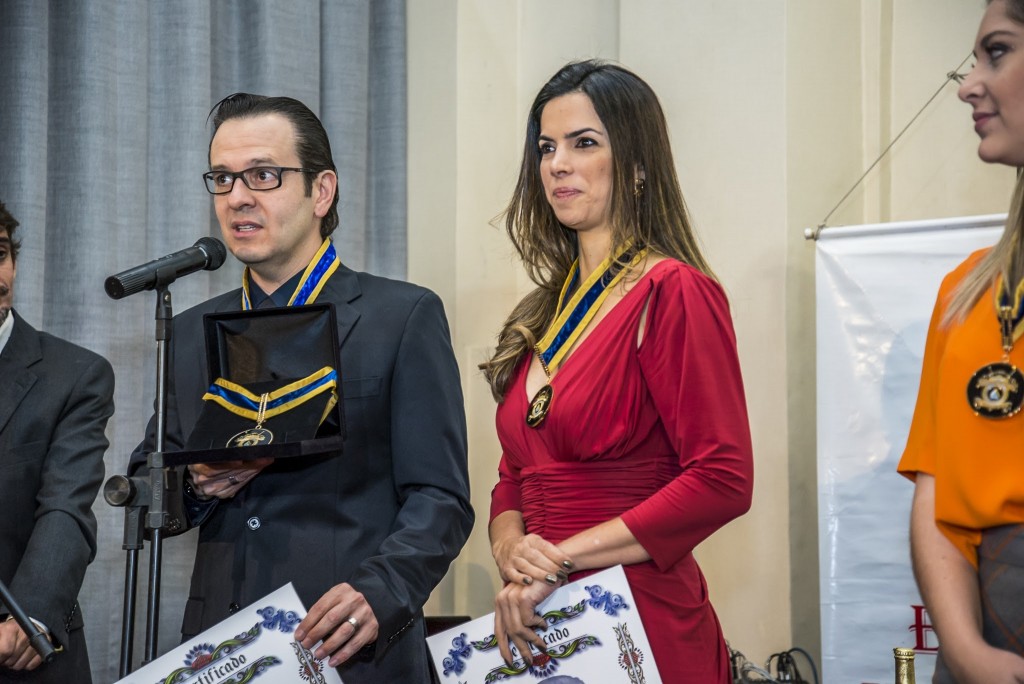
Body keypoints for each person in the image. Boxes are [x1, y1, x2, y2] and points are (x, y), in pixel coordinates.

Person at [130, 94, 473, 683]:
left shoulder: (402, 315)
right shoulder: (188, 333)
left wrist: (380, 592)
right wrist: (193, 484)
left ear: (322, 191)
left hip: (348, 644)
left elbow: (440, 498)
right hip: (222, 647)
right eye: (222, 179)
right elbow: (143, 486)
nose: (238, 196)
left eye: (263, 175)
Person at [481, 60, 754, 683]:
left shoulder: (675, 290)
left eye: (584, 144)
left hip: (640, 615)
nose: (557, 164)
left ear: (635, 165)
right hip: (539, 613)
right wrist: (509, 550)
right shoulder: (542, 312)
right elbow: (513, 476)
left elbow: (724, 478)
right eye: (547, 147)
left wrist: (558, 561)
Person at [899, 2, 1024, 682]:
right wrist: (968, 651)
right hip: (984, 634)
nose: (968, 85)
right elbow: (936, 491)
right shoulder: (967, 290)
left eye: (997, 53)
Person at [0, 201, 115, 683]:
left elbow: (65, 509)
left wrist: (28, 618)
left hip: (19, 649)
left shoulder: (74, 375)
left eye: (1, 252)